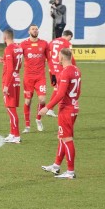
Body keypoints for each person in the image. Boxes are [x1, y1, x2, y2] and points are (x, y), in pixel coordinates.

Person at [39, 48, 81, 179]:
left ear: (62, 58)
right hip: (73, 107)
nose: (57, 57)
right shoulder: (76, 70)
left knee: (67, 139)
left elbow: (60, 94)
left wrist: (47, 107)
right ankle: (56, 166)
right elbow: (77, 92)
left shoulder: (65, 72)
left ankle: (70, 171)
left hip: (66, 110)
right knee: (62, 137)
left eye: (58, 56)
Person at [19, 24, 50, 133]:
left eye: (36, 29)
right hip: (28, 78)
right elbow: (16, 57)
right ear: (29, 31)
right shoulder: (23, 44)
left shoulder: (44, 44)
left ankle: (38, 119)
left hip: (40, 77)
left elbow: (49, 59)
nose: (35, 31)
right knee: (27, 101)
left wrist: (53, 72)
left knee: (42, 100)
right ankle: (27, 126)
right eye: (33, 29)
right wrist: (3, 60)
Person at [0, 28, 23, 144]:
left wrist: (6, 85)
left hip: (9, 81)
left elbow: (10, 68)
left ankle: (16, 135)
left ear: (5, 37)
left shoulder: (8, 49)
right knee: (11, 108)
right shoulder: (18, 47)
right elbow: (14, 64)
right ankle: (12, 133)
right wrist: (2, 60)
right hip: (16, 79)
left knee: (11, 109)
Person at [46, 30, 75, 117]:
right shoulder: (67, 43)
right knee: (61, 90)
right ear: (69, 36)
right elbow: (70, 57)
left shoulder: (52, 41)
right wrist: (74, 67)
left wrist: (51, 70)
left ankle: (50, 109)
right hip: (61, 67)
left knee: (57, 89)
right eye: (71, 38)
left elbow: (48, 54)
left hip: (53, 68)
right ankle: (52, 109)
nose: (70, 40)